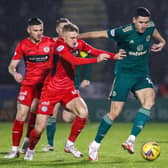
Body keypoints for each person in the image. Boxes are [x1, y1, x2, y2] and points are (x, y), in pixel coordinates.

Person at [23, 23, 126, 160]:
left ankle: (69, 144)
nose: (74, 41)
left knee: (83, 113)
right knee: (39, 128)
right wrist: (96, 60)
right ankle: (30, 150)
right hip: (51, 90)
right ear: (63, 37)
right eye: (71, 38)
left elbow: (93, 50)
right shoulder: (59, 46)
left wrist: (114, 56)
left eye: (76, 37)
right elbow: (74, 60)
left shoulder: (78, 44)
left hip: (68, 89)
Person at [79, 7, 166, 161]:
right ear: (134, 21)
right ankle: (94, 145)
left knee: (149, 101)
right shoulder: (123, 31)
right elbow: (99, 34)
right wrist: (77, 37)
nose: (143, 25)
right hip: (124, 75)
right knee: (114, 113)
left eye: (146, 22)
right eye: (140, 22)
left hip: (141, 75)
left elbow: (154, 32)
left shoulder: (150, 26)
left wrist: (162, 41)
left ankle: (130, 140)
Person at [5, 18, 55, 159]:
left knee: (34, 114)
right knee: (20, 114)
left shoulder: (50, 42)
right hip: (28, 84)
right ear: (29, 30)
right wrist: (14, 73)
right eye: (35, 30)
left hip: (44, 86)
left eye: (41, 30)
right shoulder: (22, 45)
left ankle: (27, 143)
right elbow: (11, 66)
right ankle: (14, 149)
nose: (39, 33)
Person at [41, 18, 92, 152]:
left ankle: (73, 136)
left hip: (72, 83)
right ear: (59, 31)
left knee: (67, 117)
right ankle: (50, 144)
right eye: (63, 28)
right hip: (56, 84)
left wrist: (86, 77)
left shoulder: (76, 44)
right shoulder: (52, 44)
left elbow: (85, 57)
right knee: (52, 114)